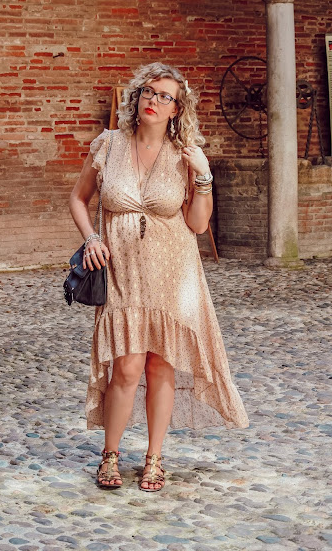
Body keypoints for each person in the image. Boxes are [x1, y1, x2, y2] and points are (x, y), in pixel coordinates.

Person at [69, 62, 249, 492]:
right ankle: (110, 454)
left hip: (173, 271)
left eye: (165, 96)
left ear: (176, 109)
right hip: (123, 272)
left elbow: (198, 224)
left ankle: (154, 458)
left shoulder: (185, 154)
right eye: (149, 92)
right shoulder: (109, 144)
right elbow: (78, 199)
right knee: (127, 366)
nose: (154, 100)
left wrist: (203, 175)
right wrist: (91, 238)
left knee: (160, 365)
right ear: (138, 97)